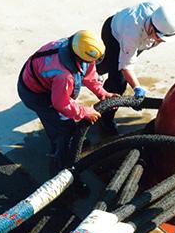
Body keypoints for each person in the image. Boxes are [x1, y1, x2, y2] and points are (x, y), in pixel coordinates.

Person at [97, 0, 175, 131]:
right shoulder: (131, 33)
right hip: (114, 35)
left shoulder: (171, 12)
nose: (162, 41)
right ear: (151, 28)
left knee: (110, 65)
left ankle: (94, 69)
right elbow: (126, 66)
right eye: (160, 38)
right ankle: (105, 118)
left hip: (140, 40)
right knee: (118, 81)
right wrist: (137, 88)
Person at [18, 30, 114, 173]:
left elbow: (89, 74)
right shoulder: (64, 75)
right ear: (80, 57)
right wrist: (84, 112)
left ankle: (68, 145)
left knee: (62, 123)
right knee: (63, 127)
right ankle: (60, 162)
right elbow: (61, 104)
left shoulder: (77, 46)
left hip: (40, 79)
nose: (94, 63)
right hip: (35, 94)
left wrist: (102, 93)